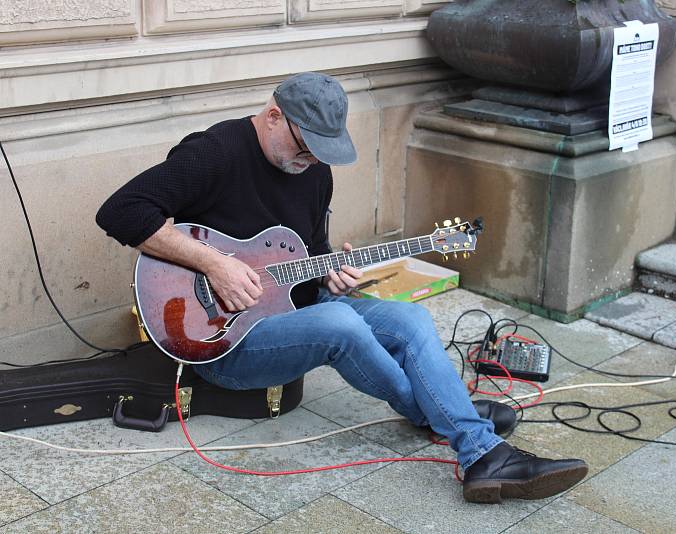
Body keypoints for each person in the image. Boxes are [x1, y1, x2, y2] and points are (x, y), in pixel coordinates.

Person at [96, 72, 588, 503]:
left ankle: (468, 438)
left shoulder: (314, 172)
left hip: (295, 309)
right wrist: (215, 266)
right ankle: (456, 424)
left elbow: (305, 254)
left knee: (410, 318)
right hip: (224, 340)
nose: (311, 159)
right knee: (340, 322)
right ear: (273, 117)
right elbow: (119, 212)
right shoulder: (213, 153)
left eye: (320, 150)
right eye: (304, 146)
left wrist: (329, 268)